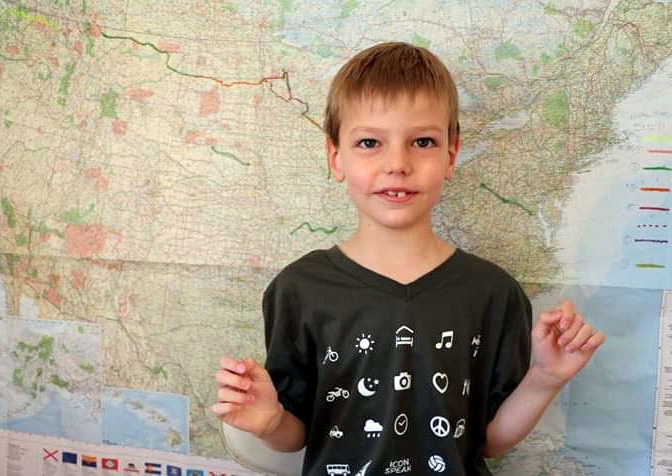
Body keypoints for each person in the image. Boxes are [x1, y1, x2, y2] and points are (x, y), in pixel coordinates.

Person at [213, 42, 605, 475]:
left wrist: (546, 377)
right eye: (369, 142)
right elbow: (298, 434)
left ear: (450, 155)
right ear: (335, 156)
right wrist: (269, 421)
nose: (397, 163)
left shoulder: (493, 293)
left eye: (422, 141)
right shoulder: (298, 290)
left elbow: (488, 440)